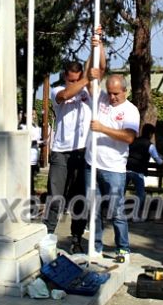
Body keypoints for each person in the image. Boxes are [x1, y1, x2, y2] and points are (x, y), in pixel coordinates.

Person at [86, 71, 140, 263]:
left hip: (114, 168)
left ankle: (123, 248)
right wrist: (97, 45)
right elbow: (91, 79)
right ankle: (96, 246)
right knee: (93, 208)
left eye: (116, 93)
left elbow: (129, 137)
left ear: (125, 91)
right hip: (92, 164)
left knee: (116, 211)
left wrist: (103, 129)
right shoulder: (101, 100)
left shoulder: (130, 110)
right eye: (109, 92)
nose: (112, 97)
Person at [43, 60, 94, 254]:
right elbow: (65, 95)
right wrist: (85, 80)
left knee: (80, 199)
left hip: (82, 151)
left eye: (78, 79)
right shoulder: (57, 90)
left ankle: (77, 238)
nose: (74, 83)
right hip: (61, 152)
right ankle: (48, 234)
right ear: (65, 77)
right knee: (55, 197)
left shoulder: (89, 93)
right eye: (71, 79)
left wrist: (95, 45)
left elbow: (97, 68)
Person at [125, 123, 163, 221]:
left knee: (121, 192)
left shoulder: (133, 141)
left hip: (125, 169)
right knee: (141, 195)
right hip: (138, 171)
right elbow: (158, 161)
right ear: (151, 134)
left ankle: (117, 214)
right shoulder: (149, 145)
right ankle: (135, 215)